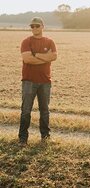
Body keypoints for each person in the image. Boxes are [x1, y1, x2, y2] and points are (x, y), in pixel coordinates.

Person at [18, 17, 57, 145]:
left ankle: (45, 136)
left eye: (37, 26)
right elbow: (28, 59)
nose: (34, 28)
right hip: (29, 81)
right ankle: (23, 138)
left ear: (42, 26)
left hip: (45, 81)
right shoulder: (26, 42)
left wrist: (37, 55)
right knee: (26, 111)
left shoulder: (50, 41)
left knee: (45, 111)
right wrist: (46, 58)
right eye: (32, 26)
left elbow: (54, 56)